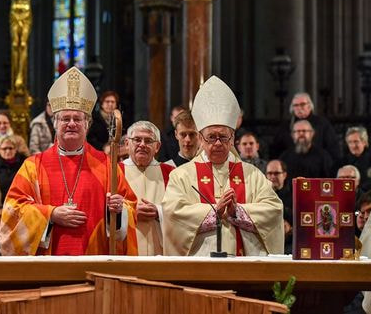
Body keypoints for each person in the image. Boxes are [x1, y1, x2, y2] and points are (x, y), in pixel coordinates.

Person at [0, 67, 138, 256]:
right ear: (55, 124)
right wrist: (50, 215)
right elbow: (12, 212)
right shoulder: (33, 166)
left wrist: (118, 210)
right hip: (48, 265)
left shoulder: (106, 165)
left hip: (95, 258)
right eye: (65, 118)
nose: (71, 123)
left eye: (77, 119)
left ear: (87, 124)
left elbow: (130, 206)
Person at [162, 76, 284, 256]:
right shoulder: (181, 175)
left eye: (223, 137)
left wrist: (238, 212)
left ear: (233, 138)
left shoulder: (252, 174)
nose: (217, 143)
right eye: (211, 137)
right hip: (199, 265)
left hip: (244, 265)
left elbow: (274, 209)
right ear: (201, 139)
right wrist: (214, 212)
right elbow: (173, 213)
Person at [120, 121, 174, 255]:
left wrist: (159, 212)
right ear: (127, 144)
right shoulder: (114, 171)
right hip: (125, 249)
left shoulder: (171, 173)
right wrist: (131, 213)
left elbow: (181, 209)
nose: (142, 145)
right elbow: (106, 207)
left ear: (157, 146)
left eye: (148, 141)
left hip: (162, 251)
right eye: (137, 140)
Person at [271, 93, 339, 160]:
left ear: (310, 106)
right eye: (296, 105)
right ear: (292, 109)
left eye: (302, 104)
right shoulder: (285, 126)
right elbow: (276, 150)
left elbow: (332, 148)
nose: (299, 108)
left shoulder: (322, 124)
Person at [337, 127, 371, 192]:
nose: (353, 145)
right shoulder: (341, 163)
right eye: (350, 142)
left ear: (364, 142)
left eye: (356, 142)